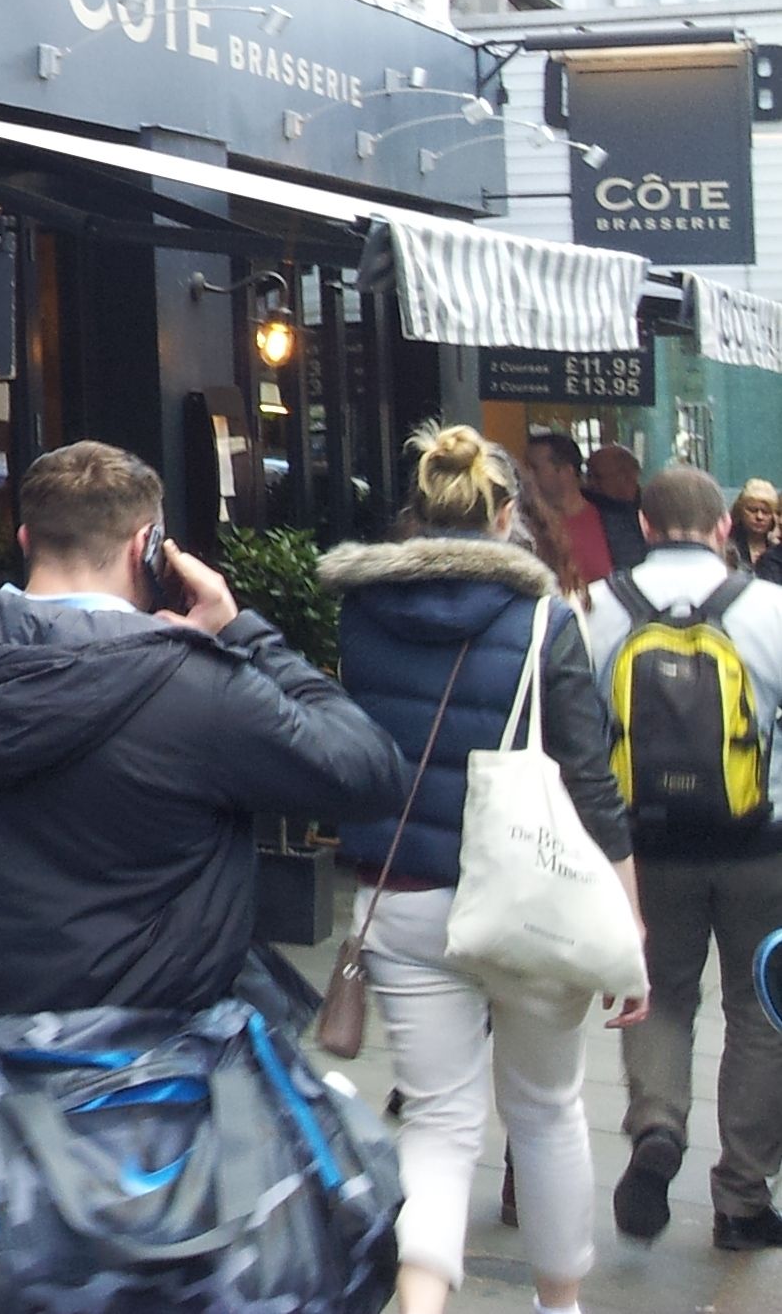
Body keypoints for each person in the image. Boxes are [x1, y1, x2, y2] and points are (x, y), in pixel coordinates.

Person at [0, 445, 405, 1179]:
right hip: (167, 1095)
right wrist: (241, 629)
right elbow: (368, 773)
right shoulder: (203, 688)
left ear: (24, 538)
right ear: (145, 546)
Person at [322, 427, 646, 1314]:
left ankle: (420, 1303)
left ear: (415, 513)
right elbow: (589, 776)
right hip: (528, 904)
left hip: (405, 897)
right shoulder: (544, 617)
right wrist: (627, 914)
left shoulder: (359, 614)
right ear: (506, 516)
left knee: (437, 1118)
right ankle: (559, 1306)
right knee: (546, 1111)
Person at [582, 462, 782, 1251]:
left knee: (658, 995)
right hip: (757, 847)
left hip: (644, 850)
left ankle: (657, 1126)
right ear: (725, 527)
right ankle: (740, 1198)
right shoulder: (768, 607)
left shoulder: (595, 606)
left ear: (640, 524)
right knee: (758, 1012)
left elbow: (577, 734)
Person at [525, 429, 617, 590]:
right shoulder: (524, 525)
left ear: (566, 471)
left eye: (534, 468)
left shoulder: (614, 522)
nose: (527, 475)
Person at [588, 443, 648, 575]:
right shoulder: (591, 511)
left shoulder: (652, 507)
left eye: (598, 476)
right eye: (589, 476)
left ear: (627, 475)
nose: (591, 484)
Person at [739, 478, 782, 581]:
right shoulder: (728, 547)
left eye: (766, 512)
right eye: (752, 510)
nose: (759, 517)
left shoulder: (776, 550)